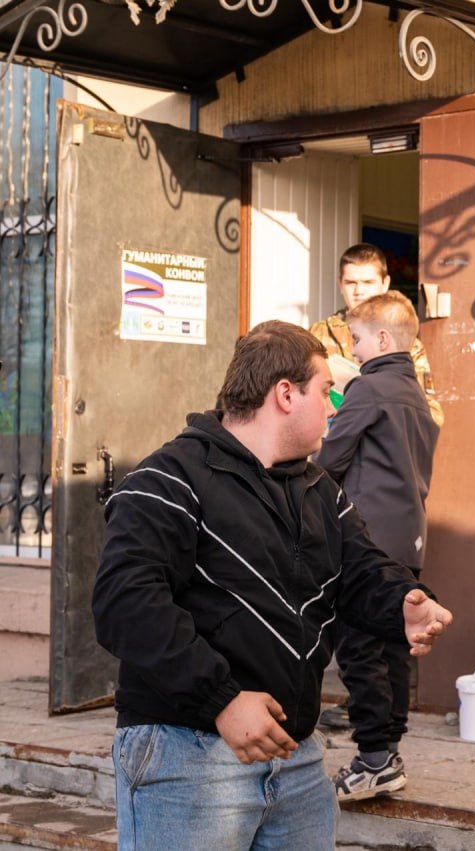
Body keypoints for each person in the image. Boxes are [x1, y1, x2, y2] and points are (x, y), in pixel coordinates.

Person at [92, 320, 453, 850]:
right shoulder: (169, 479)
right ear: (285, 393)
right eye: (326, 389)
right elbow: (125, 603)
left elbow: (362, 570)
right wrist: (221, 699)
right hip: (187, 757)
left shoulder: (318, 489)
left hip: (296, 757)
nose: (334, 407)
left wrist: (405, 604)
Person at [314, 292, 441, 801]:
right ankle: (388, 756)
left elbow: (329, 458)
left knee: (360, 649)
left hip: (365, 542)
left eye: (359, 338)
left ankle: (373, 758)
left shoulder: (369, 390)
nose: (355, 348)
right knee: (393, 650)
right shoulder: (417, 396)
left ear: (383, 339)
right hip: (409, 541)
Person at [310, 242, 445, 429]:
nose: (359, 291)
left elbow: (431, 414)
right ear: (340, 284)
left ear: (385, 284)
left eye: (368, 282)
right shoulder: (317, 335)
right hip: (330, 446)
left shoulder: (407, 343)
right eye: (351, 283)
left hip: (380, 447)